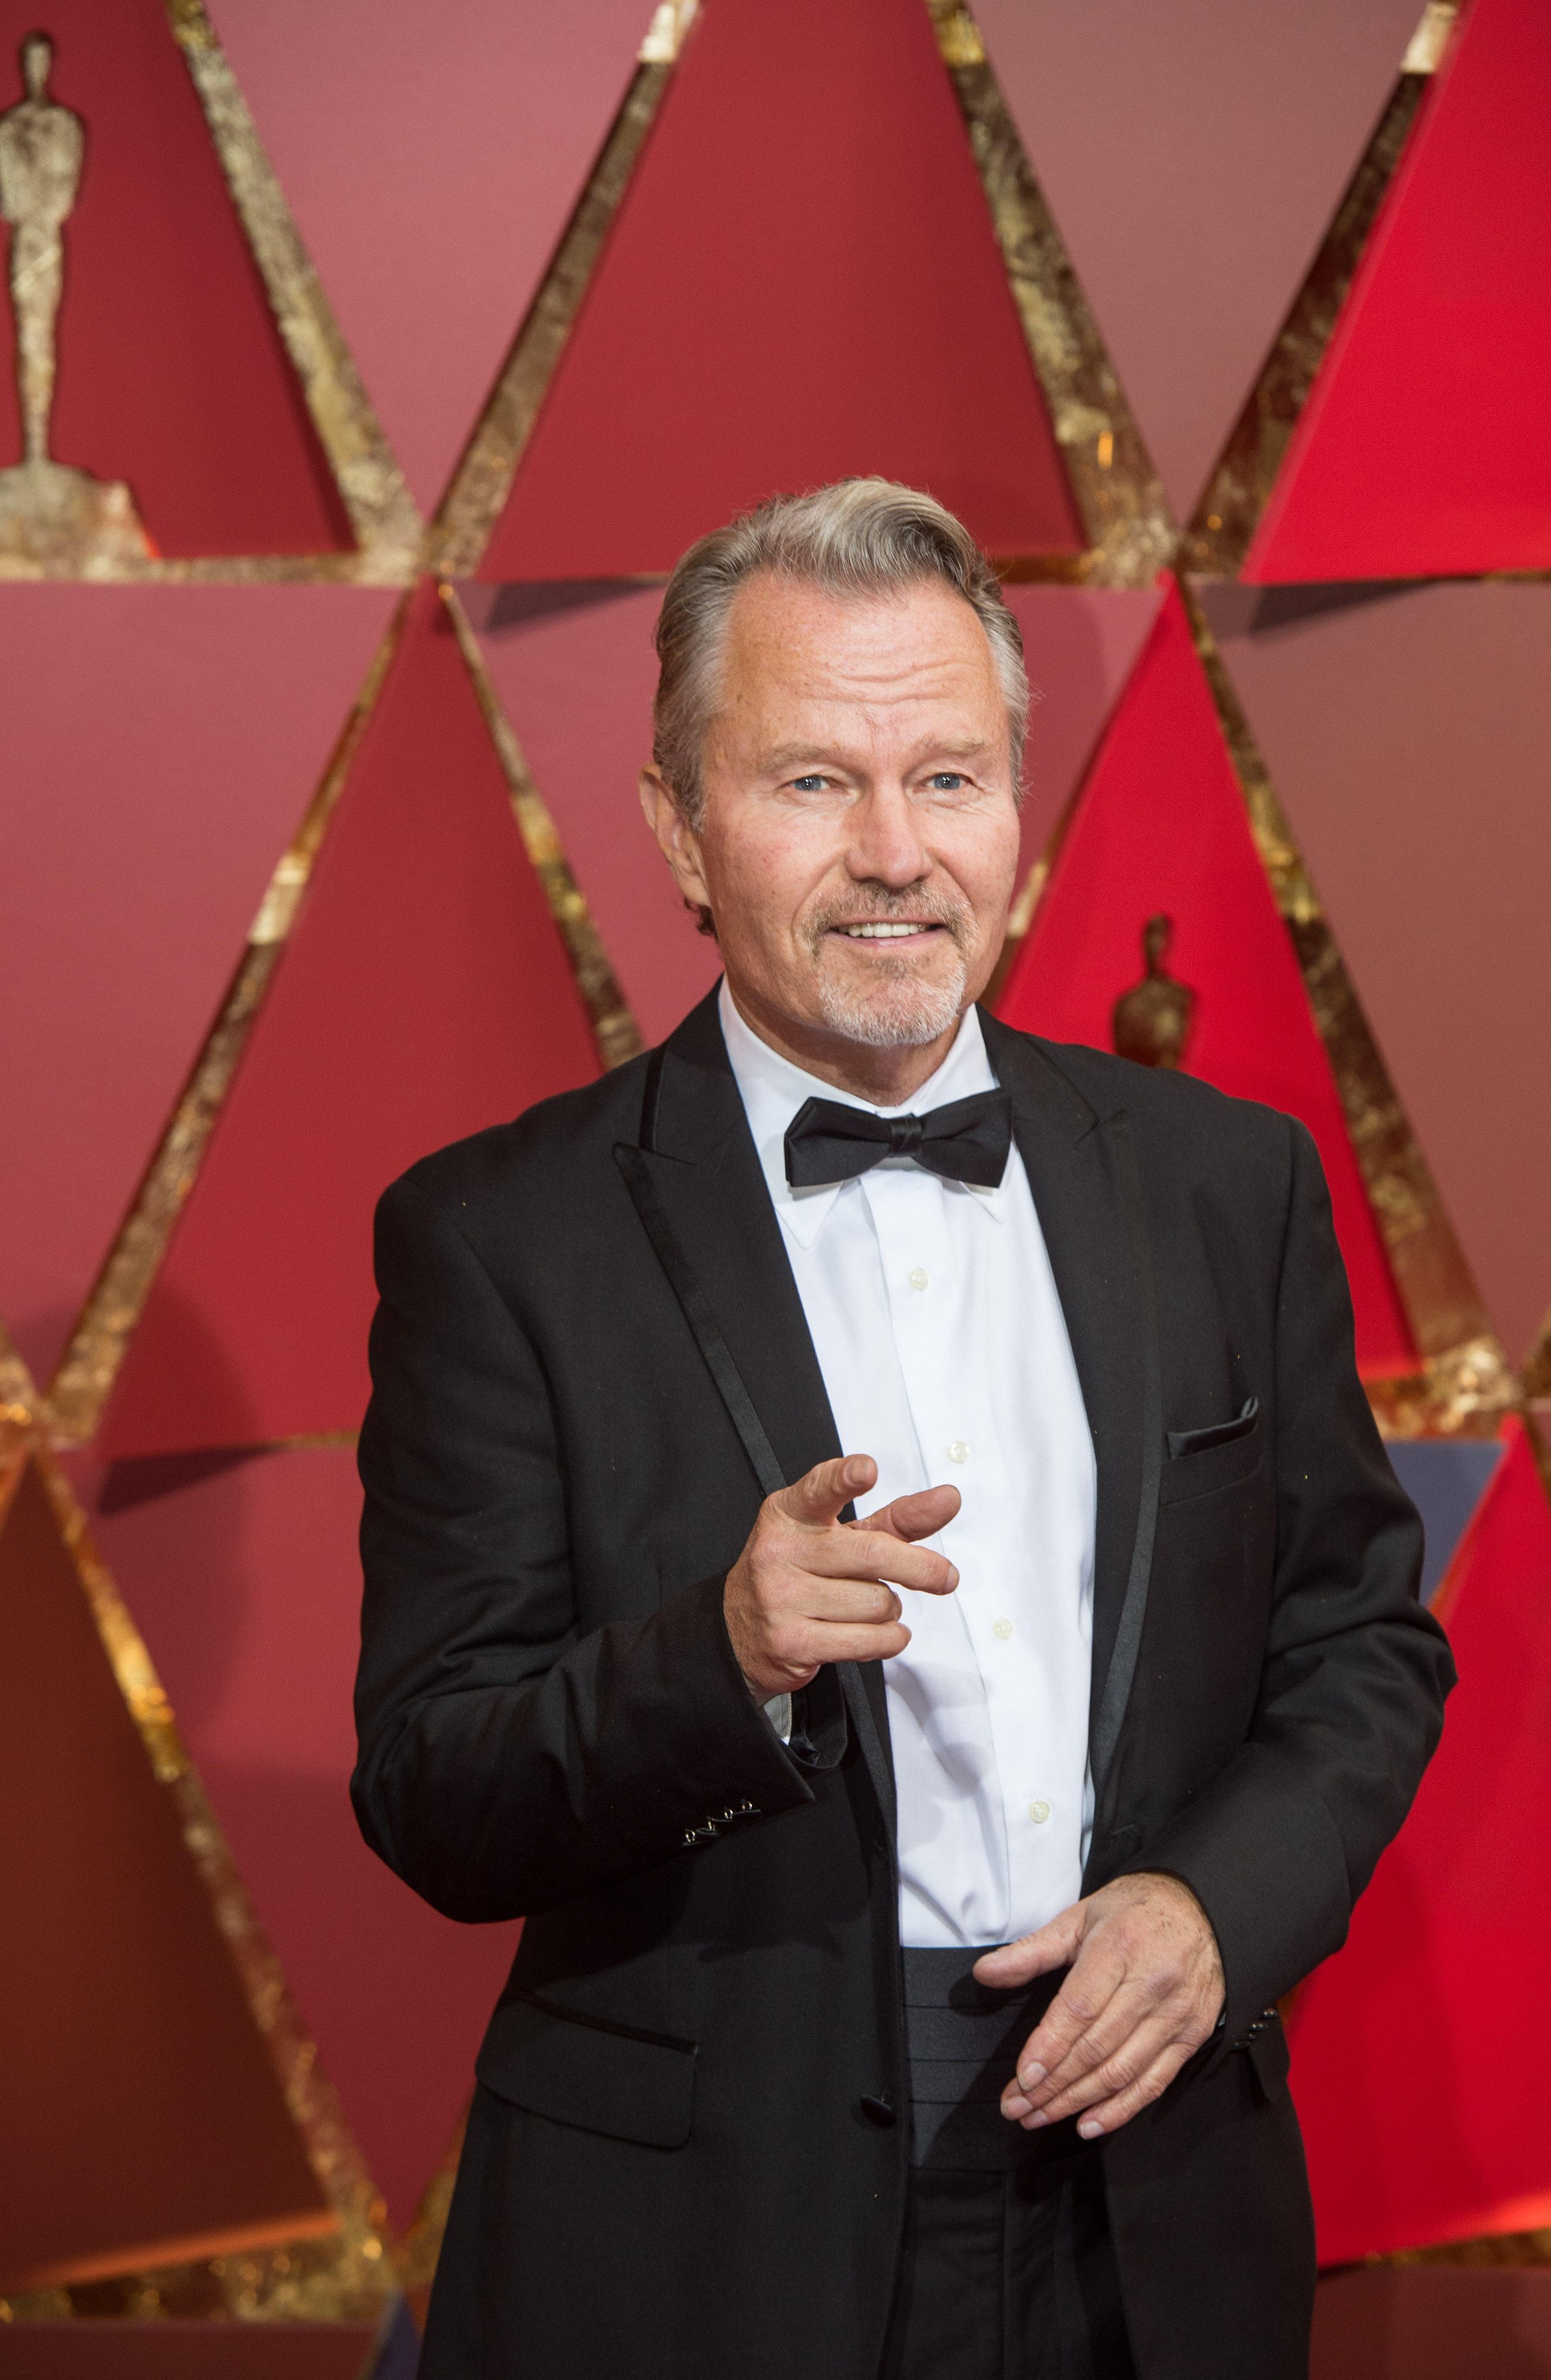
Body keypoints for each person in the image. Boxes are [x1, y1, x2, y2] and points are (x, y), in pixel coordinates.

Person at [352, 479, 1452, 2379]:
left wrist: (1218, 1909)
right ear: (679, 829)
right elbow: (435, 1786)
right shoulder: (496, 1235)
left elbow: (1360, 1647)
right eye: (811, 782)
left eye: (946, 778)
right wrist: (722, 1657)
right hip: (705, 2235)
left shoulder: (1228, 1183)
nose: (893, 853)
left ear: (1014, 803)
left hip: (1149, 2191)